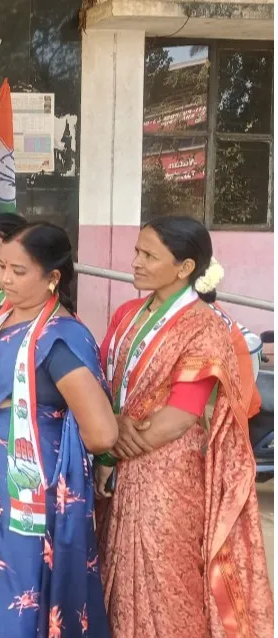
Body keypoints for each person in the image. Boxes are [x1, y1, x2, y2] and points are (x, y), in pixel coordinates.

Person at [0, 222, 118, 638]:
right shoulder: (5, 315)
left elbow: (101, 433)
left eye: (19, 271)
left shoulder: (59, 338)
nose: (6, 278)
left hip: (24, 491)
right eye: (3, 267)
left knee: (17, 592)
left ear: (53, 277)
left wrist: (62, 448)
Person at [94, 216, 273, 638]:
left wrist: (112, 445)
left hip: (168, 474)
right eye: (137, 251)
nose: (135, 262)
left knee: (164, 580)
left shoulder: (204, 326)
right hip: (117, 464)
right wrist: (108, 437)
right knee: (113, 577)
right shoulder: (126, 314)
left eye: (149, 255)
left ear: (185, 267)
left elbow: (180, 416)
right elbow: (103, 383)